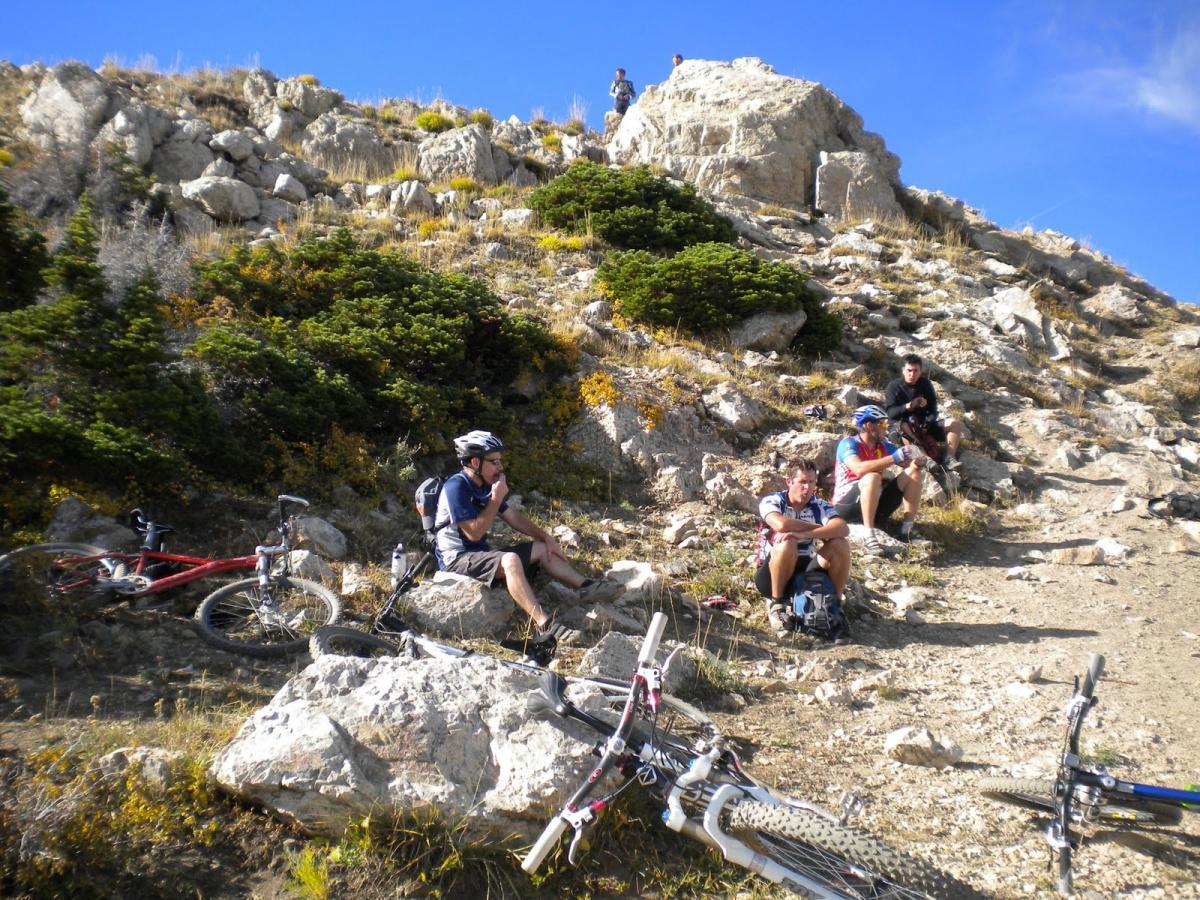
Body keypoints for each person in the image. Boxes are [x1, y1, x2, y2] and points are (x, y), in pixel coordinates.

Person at [434, 430, 622, 645]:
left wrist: (547, 538)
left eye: (500, 462)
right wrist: (495, 499)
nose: (500, 468)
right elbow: (474, 532)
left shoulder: (485, 484)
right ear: (475, 462)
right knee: (510, 560)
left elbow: (513, 517)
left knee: (542, 548)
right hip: (456, 560)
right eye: (494, 462)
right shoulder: (456, 487)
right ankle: (545, 624)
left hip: (479, 556)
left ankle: (586, 586)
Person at [756, 459, 850, 637]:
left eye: (812, 482)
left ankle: (836, 605)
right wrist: (820, 530)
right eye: (802, 482)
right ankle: (776, 604)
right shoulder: (773, 500)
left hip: (804, 567)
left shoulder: (819, 505)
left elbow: (843, 529)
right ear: (789, 481)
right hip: (771, 571)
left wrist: (805, 534)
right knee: (787, 541)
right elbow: (781, 525)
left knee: (840, 544)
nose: (807, 488)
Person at [831, 405, 927, 553]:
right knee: (872, 476)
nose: (886, 428)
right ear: (870, 426)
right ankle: (869, 535)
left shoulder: (884, 446)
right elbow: (858, 469)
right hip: (846, 504)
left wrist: (917, 461)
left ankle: (906, 529)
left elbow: (906, 462)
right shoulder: (849, 444)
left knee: (913, 472)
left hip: (873, 500)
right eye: (882, 424)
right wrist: (893, 458)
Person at [884, 354, 963, 468]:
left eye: (916, 371)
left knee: (954, 423)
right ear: (903, 370)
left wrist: (928, 421)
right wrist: (907, 406)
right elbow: (890, 413)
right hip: (902, 429)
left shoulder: (926, 384)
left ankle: (949, 458)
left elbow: (933, 410)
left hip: (923, 426)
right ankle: (926, 459)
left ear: (921, 371)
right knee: (903, 426)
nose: (912, 374)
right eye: (909, 370)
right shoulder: (894, 387)